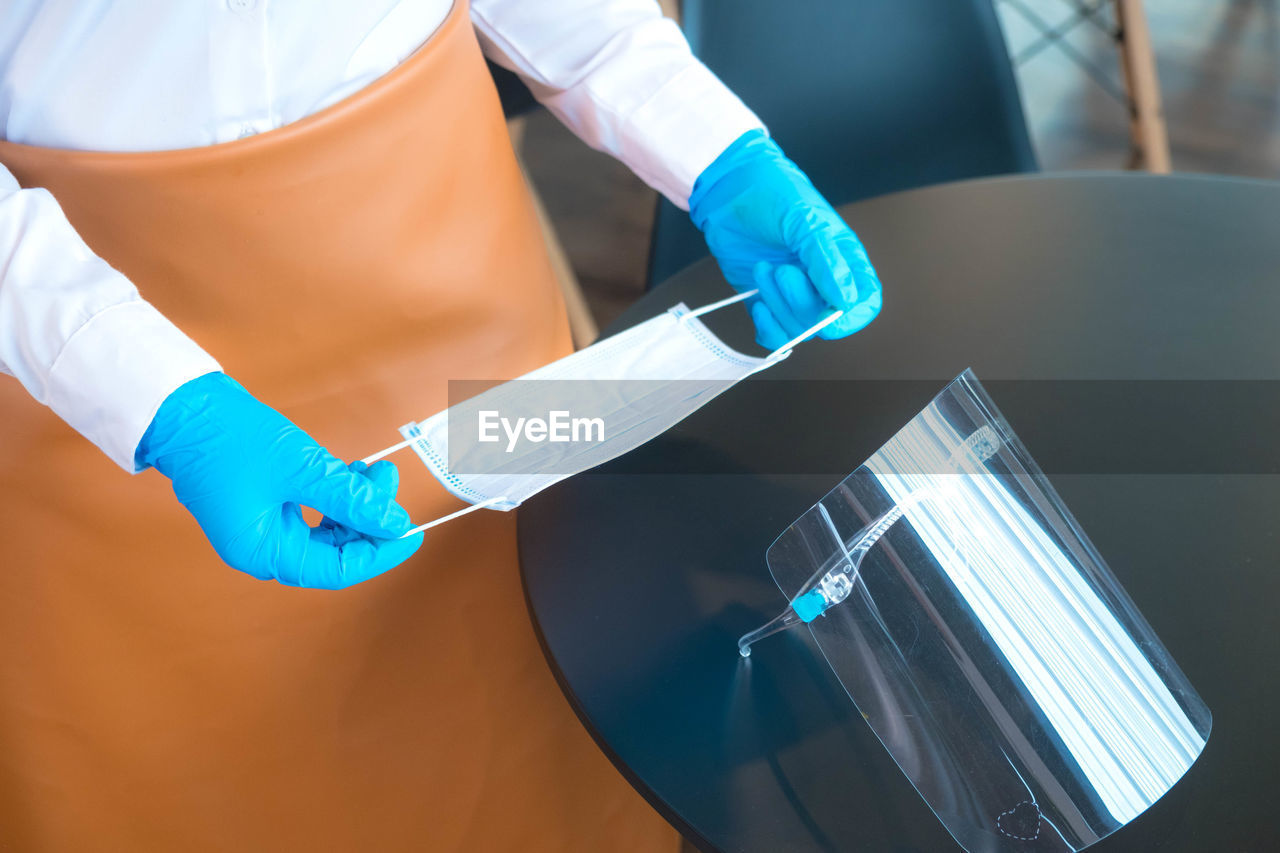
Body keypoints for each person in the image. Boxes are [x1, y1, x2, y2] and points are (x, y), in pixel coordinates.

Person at [0, 1, 882, 849]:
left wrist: (713, 149)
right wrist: (157, 404)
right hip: (73, 363)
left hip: (449, 285)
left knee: (526, 721)